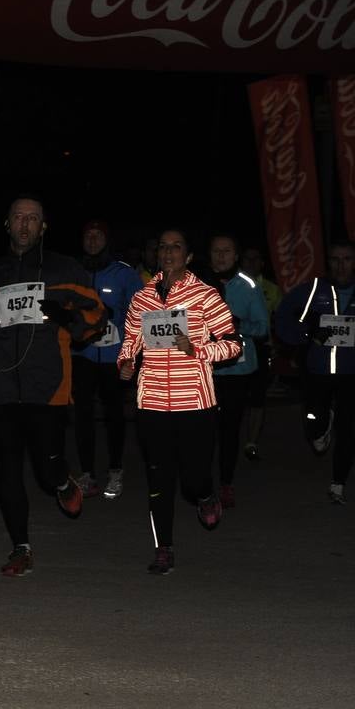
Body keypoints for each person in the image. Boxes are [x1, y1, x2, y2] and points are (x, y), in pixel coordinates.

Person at [0, 196, 106, 577]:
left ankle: (61, 481)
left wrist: (65, 317)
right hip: (2, 388)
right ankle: (20, 548)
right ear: (7, 225)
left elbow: (95, 319)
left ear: (44, 228)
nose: (25, 225)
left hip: (49, 386)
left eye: (33, 219)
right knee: (8, 468)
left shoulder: (65, 270)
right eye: (18, 218)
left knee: (46, 468)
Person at [118, 230, 240, 574]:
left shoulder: (205, 296)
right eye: (162, 247)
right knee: (159, 479)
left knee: (193, 479)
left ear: (187, 257)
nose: (168, 252)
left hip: (195, 404)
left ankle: (204, 495)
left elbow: (233, 345)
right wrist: (125, 364)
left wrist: (196, 349)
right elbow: (130, 343)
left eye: (176, 247)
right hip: (152, 404)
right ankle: (164, 548)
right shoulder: (142, 298)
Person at [274, 240, 355, 504]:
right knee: (313, 422)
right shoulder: (314, 290)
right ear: (328, 262)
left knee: (349, 428)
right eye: (335, 259)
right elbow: (283, 315)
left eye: (347, 259)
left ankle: (338, 484)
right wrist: (306, 334)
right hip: (317, 370)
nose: (341, 265)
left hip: (351, 373)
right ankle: (320, 426)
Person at [70, 219, 139, 500]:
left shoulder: (124, 274)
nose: (93, 240)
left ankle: (115, 470)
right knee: (82, 414)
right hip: (82, 355)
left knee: (114, 415)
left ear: (107, 240)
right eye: (89, 235)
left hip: (113, 356)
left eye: (98, 235)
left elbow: (141, 310)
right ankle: (87, 475)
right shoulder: (73, 272)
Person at [206, 234, 268, 509]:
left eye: (226, 251)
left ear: (236, 256)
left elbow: (263, 327)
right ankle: (201, 483)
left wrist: (237, 325)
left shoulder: (249, 285)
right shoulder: (198, 284)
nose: (220, 256)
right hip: (205, 367)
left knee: (230, 429)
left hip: (237, 369)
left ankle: (226, 483)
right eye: (216, 251)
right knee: (205, 429)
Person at [239, 245, 282, 459]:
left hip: (261, 347)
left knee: (257, 397)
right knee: (235, 396)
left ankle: (251, 441)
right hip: (236, 347)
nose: (252, 263)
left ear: (262, 263)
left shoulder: (272, 290)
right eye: (248, 258)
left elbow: (278, 322)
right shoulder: (231, 286)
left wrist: (276, 345)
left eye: (257, 259)